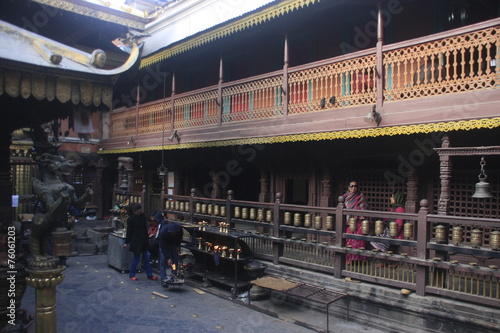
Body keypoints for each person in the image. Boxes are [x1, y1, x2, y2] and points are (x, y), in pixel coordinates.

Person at [122, 203, 158, 281]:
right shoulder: (131, 219)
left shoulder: (143, 216)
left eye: (140, 211)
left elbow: (145, 227)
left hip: (144, 240)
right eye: (138, 211)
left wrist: (147, 237)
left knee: (147, 258)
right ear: (134, 211)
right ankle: (132, 274)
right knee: (136, 258)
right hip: (136, 241)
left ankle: (149, 274)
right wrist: (126, 242)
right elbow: (129, 232)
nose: (140, 212)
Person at [343, 180, 369, 264]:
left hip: (359, 221)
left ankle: (359, 259)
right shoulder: (345, 197)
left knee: (359, 240)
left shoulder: (361, 196)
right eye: (351, 186)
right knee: (349, 239)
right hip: (349, 221)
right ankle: (349, 259)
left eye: (355, 186)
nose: (353, 188)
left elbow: (364, 208)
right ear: (348, 187)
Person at [158, 215, 183, 287]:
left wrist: (178, 246)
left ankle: (173, 276)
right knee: (163, 261)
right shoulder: (163, 232)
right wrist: (168, 258)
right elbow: (163, 246)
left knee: (175, 260)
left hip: (173, 244)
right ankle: (163, 278)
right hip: (164, 244)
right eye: (172, 233)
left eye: (174, 233)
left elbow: (180, 238)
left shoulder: (179, 229)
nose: (173, 234)